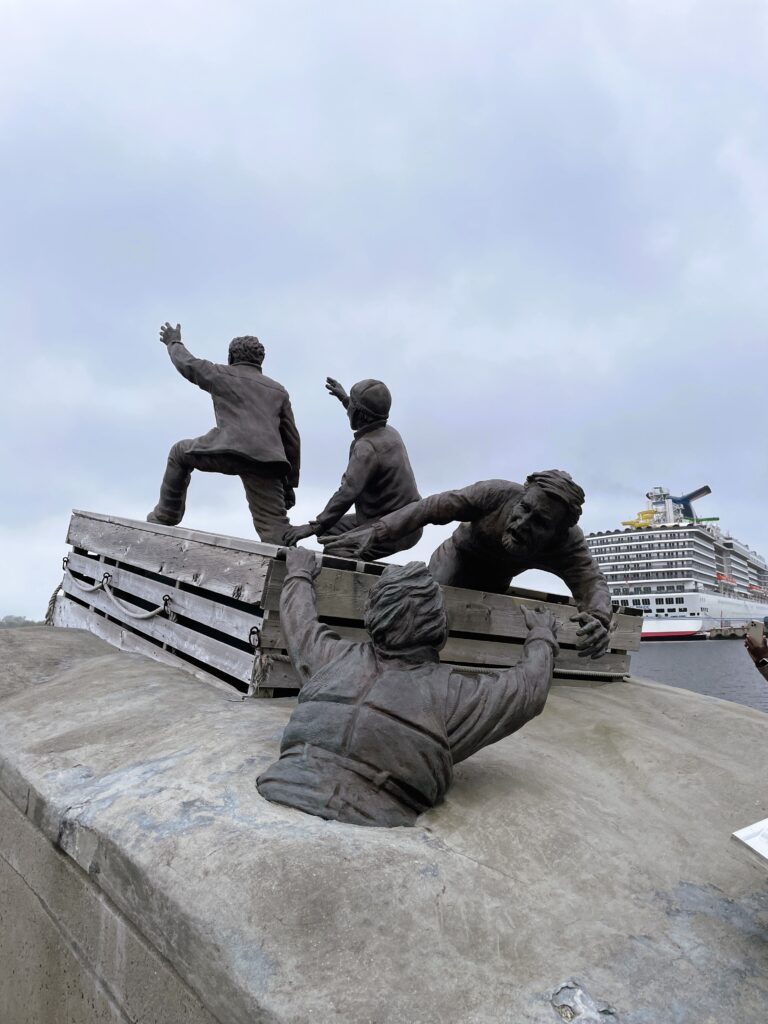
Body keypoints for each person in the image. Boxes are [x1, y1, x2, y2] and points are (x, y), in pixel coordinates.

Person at [256, 547, 559, 827]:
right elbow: (529, 688)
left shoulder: (332, 659)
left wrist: (299, 572)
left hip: (284, 783)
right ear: (441, 624)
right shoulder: (454, 696)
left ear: (372, 614)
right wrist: (542, 634)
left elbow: (299, 621)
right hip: (378, 814)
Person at [323, 469, 613, 658]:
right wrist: (377, 532)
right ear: (521, 495)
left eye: (540, 522)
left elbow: (591, 581)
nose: (523, 522)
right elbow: (430, 507)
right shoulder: (495, 493)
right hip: (456, 557)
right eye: (524, 508)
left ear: (557, 531)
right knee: (425, 608)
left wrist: (599, 619)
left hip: (495, 582)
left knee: (473, 633)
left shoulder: (566, 542)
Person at [147, 322, 300, 543]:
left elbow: (187, 364)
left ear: (231, 357)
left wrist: (173, 342)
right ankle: (298, 567)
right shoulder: (278, 391)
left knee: (179, 453)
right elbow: (292, 440)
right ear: (260, 361)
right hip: (267, 462)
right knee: (277, 532)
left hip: (228, 450)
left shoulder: (221, 373)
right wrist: (289, 483)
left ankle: (166, 514)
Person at [284, 377, 421, 558]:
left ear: (359, 414)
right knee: (329, 531)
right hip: (401, 520)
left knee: (336, 549)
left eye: (351, 407)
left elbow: (347, 493)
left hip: (395, 528)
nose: (349, 411)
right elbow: (367, 415)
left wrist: (313, 526)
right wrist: (345, 400)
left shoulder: (367, 449)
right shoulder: (389, 431)